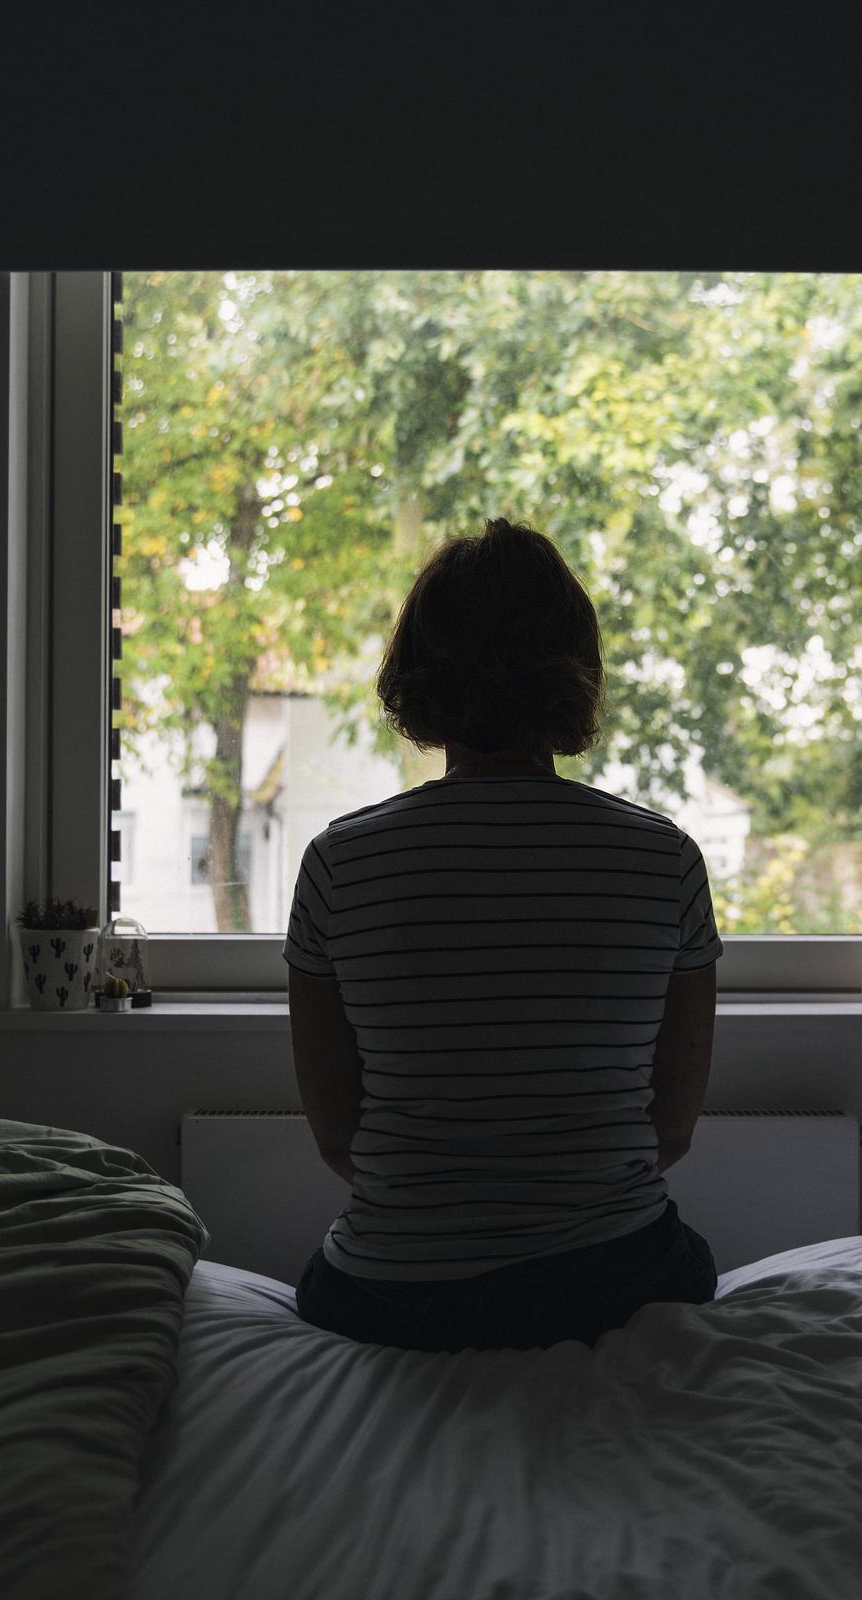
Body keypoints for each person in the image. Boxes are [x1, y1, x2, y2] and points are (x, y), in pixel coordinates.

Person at [284, 516, 721, 1352]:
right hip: (617, 1280)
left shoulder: (340, 863)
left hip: (394, 1293)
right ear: (577, 672)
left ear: (417, 671)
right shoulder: (663, 860)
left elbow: (338, 1134)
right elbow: (671, 1129)